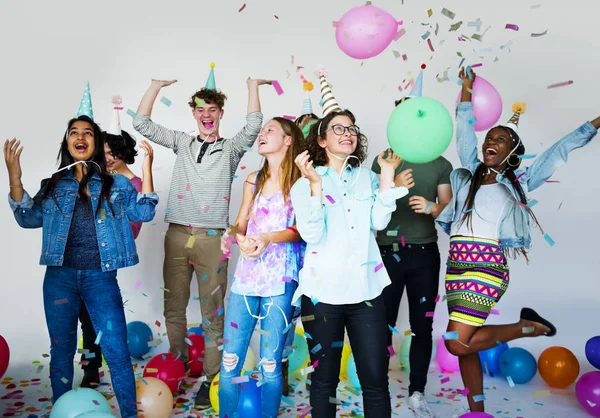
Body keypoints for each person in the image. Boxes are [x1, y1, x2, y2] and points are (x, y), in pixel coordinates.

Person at [435, 67, 600, 413]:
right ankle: (477, 410)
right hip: (456, 268)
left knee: (454, 343)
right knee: (465, 345)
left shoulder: (521, 181)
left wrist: (595, 123)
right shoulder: (469, 173)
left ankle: (524, 328)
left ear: (512, 152)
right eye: (489, 138)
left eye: (500, 140)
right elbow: (464, 130)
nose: (490, 143)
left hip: (487, 267)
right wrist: (466, 89)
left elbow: (559, 149)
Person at [5, 88, 157, 418]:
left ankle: (129, 414)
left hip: (100, 278)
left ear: (95, 143)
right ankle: (63, 412)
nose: (81, 136)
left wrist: (147, 167)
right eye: (74, 132)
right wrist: (15, 177)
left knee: (116, 350)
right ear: (67, 143)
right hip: (59, 279)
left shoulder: (115, 184)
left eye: (88, 132)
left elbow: (144, 213)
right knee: (61, 352)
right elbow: (27, 218)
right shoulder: (53, 184)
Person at [132, 63, 271, 408]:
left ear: (221, 113)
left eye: (213, 109)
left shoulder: (232, 148)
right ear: (193, 114)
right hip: (177, 235)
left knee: (213, 313)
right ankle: (175, 367)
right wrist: (155, 85)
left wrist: (252, 84)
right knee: (174, 306)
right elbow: (142, 124)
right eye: (200, 109)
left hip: (213, 239)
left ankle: (212, 380)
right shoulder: (182, 142)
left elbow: (254, 124)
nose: (206, 115)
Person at [290, 68, 413, 418]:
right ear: (322, 140)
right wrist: (315, 185)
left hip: (366, 293)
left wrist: (386, 178)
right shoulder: (303, 184)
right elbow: (312, 235)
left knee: (376, 379)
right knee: (324, 381)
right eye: (339, 129)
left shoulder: (366, 178)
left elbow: (379, 222)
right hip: (322, 295)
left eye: (352, 129)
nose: (348, 134)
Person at [371, 69, 453, 418]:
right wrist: (391, 183)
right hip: (386, 252)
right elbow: (371, 203)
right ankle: (378, 391)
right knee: (379, 323)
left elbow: (445, 201)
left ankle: (417, 392)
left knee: (422, 326)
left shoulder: (441, 162)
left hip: (424, 254)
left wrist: (433, 207)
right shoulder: (384, 159)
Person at [218, 117, 304, 418]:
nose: (262, 134)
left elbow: (302, 230)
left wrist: (268, 238)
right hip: (247, 275)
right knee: (230, 360)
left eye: (270, 130)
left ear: (288, 140)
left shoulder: (301, 182)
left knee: (269, 363)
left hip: (280, 278)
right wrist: (232, 234)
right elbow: (242, 221)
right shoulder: (252, 180)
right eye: (262, 130)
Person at [79, 97, 149, 388]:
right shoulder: (93, 178)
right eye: (104, 152)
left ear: (124, 154)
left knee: (100, 318)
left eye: (113, 153)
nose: (108, 159)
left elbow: (132, 229)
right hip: (81, 257)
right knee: (84, 318)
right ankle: (89, 367)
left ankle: (110, 366)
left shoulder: (133, 186)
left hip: (106, 260)